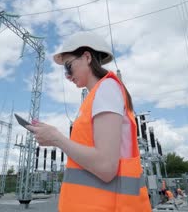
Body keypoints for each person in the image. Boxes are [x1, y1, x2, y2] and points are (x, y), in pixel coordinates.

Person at [28, 31, 151, 211]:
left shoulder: (107, 89)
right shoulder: (97, 95)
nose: (67, 76)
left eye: (68, 66)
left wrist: (56, 138)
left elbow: (106, 167)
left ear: (86, 57)